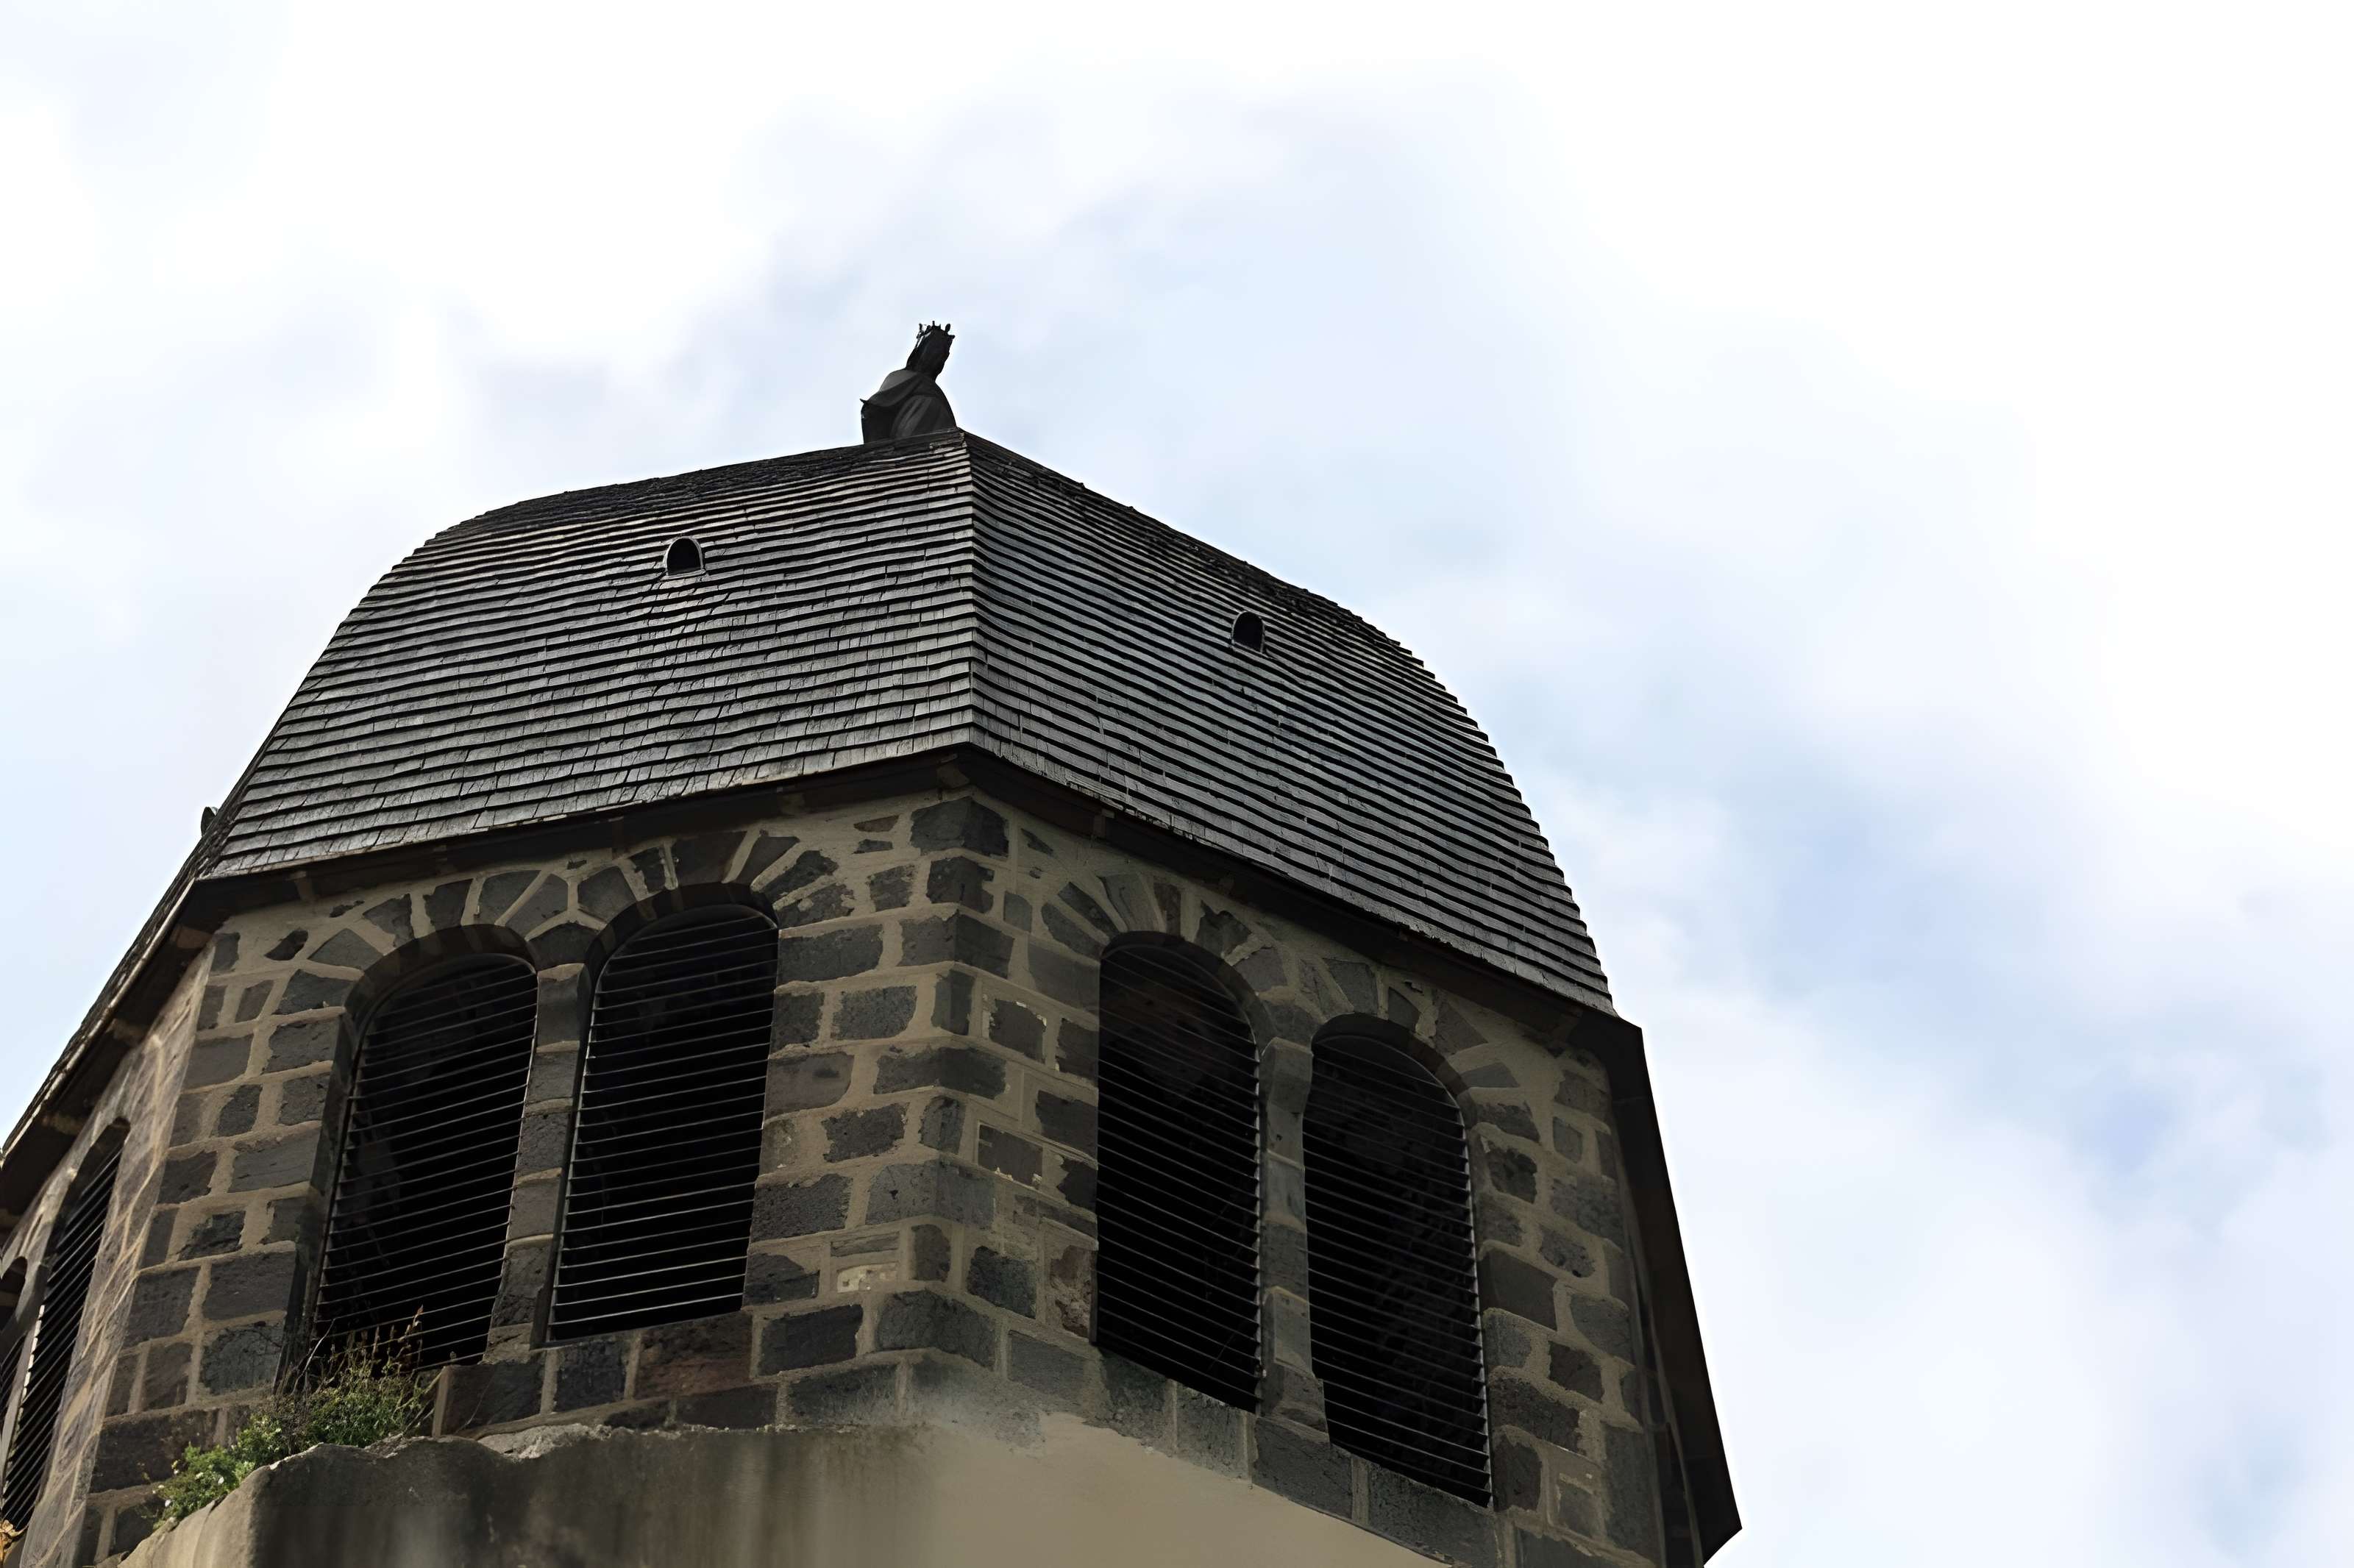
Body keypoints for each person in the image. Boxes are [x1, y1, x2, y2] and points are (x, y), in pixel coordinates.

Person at [861, 322, 956, 442]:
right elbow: (875, 408)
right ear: (919, 353)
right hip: (908, 428)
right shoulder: (897, 376)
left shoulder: (935, 391)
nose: (933, 357)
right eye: (930, 351)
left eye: (938, 354)